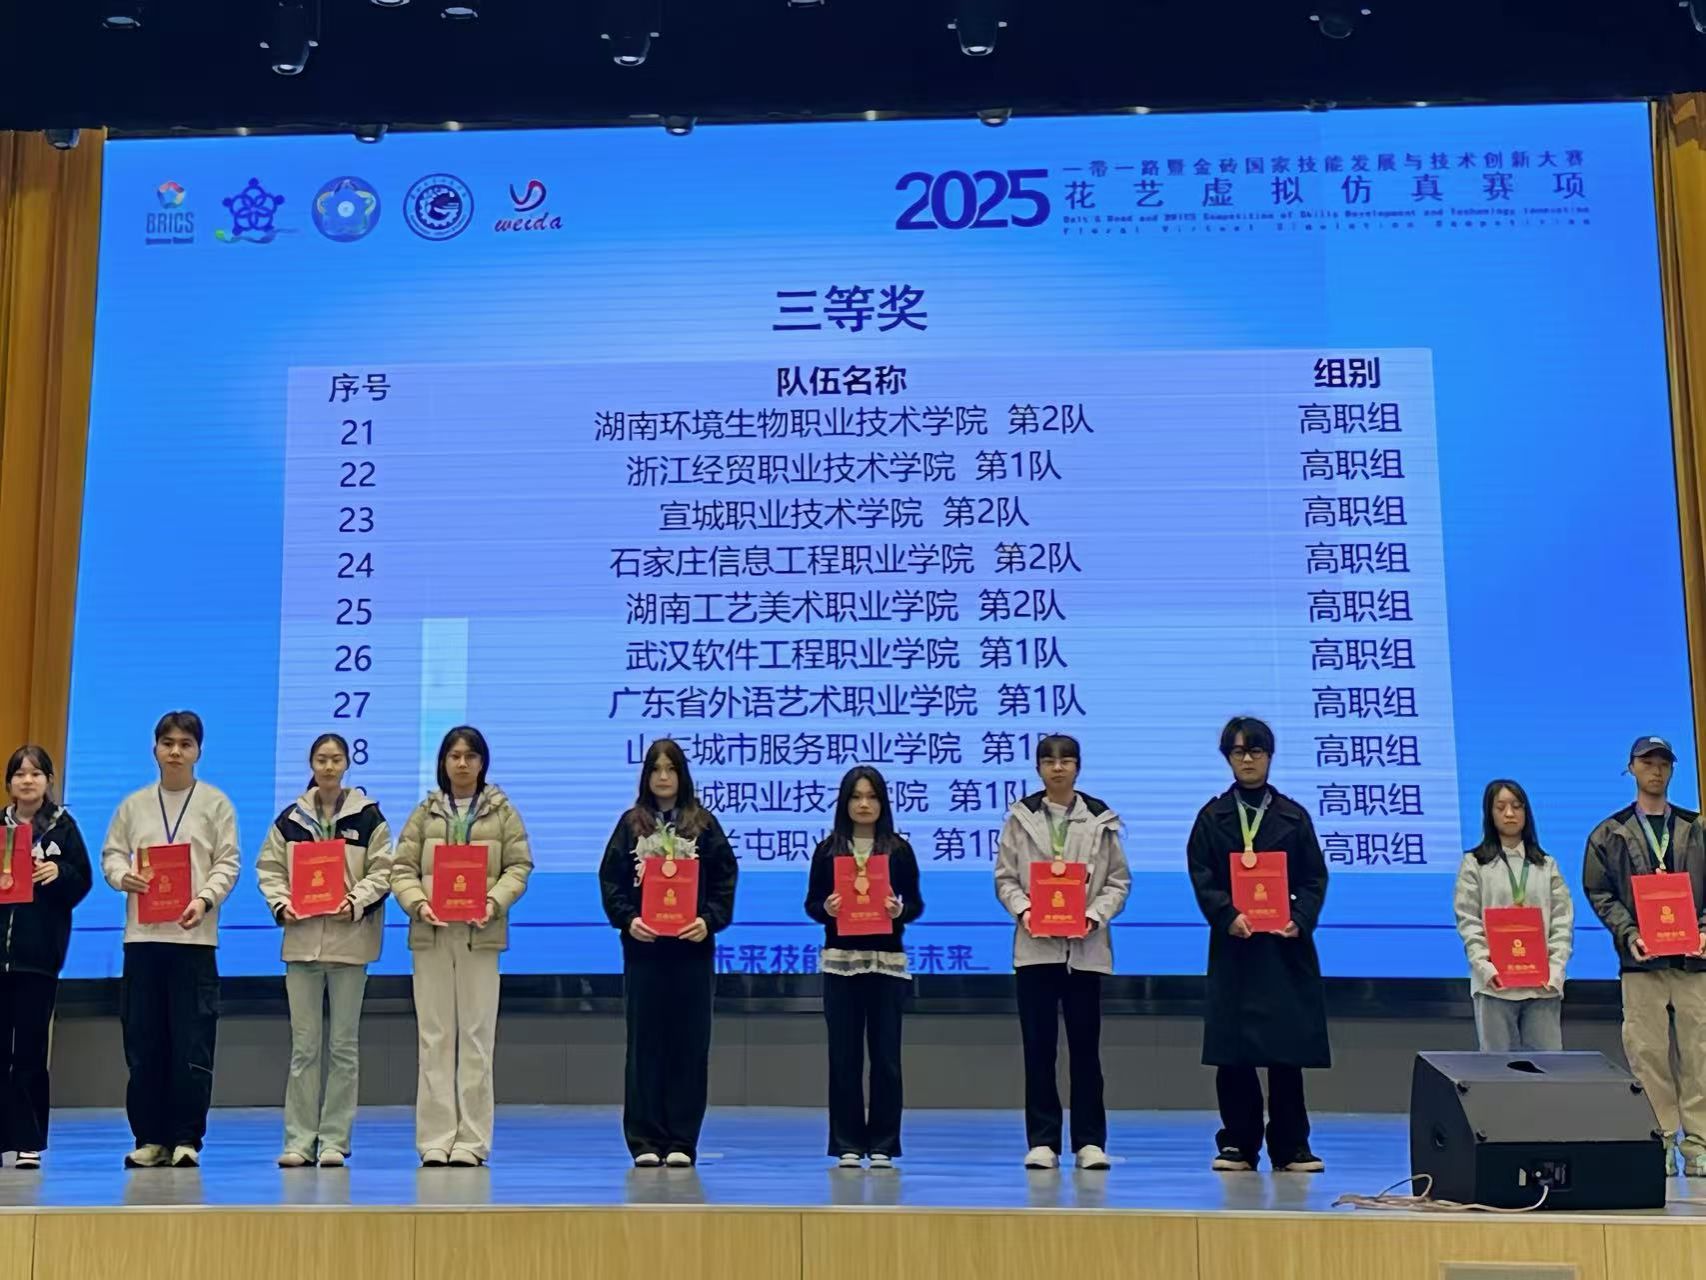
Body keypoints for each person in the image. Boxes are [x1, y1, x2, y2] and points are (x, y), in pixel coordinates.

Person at [1186, 716, 1330, 1175]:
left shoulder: (1293, 816)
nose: (1247, 759)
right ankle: (1238, 1143)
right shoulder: (1212, 817)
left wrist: (1299, 919)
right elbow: (1202, 875)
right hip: (1236, 947)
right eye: (1238, 751)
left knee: (1286, 1053)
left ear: (1269, 756)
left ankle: (1292, 1146)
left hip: (1283, 949)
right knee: (1235, 1053)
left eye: (1256, 751)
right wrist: (1227, 915)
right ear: (1227, 758)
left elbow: (1314, 877)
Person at [100, 710, 241, 1169]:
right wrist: (122, 877)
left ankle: (185, 1139)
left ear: (198, 751)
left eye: (185, 744)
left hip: (194, 939)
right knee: (144, 1043)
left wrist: (204, 899)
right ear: (155, 749)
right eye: (168, 743)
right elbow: (111, 854)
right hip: (142, 940)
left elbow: (228, 862)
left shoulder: (216, 804)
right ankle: (149, 1138)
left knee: (191, 1043)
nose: (176, 751)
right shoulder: (134, 805)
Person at [391, 726, 532, 1168]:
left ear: (482, 762)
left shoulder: (502, 811)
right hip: (431, 935)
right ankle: (435, 1139)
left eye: (471, 756)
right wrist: (418, 904)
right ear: (443, 762)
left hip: (480, 936)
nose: (462, 763)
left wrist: (492, 902)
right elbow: (401, 869)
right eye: (454, 755)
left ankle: (472, 1140)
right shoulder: (425, 812)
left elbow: (519, 866)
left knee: (476, 1038)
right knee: (434, 1038)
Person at [255, 733, 393, 1168]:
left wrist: (354, 902)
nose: (329, 766)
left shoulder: (369, 817)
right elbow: (269, 869)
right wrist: (282, 904)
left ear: (347, 764)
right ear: (311, 765)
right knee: (305, 1048)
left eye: (335, 759)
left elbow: (384, 871)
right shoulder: (290, 820)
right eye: (321, 759)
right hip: (302, 945)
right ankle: (298, 1140)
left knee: (343, 1048)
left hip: (351, 944)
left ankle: (334, 1140)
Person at [993, 734, 1130, 1171]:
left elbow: (1118, 882)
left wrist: (1092, 916)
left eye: (1066, 760)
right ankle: (1043, 1140)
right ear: (1038, 768)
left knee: (1086, 1051)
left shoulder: (1100, 819)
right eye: (1049, 761)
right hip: (1035, 950)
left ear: (1078, 767)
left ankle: (1089, 1141)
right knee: (1039, 1050)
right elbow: (1005, 879)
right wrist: (1026, 910)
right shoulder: (1020, 818)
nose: (1058, 768)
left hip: (1085, 951)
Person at [598, 738, 737, 1168]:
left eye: (671, 769)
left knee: (689, 1046)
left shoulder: (703, 824)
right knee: (645, 1046)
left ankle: (681, 1139)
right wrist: (628, 920)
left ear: (682, 775)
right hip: (645, 953)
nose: (663, 777)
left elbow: (725, 880)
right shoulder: (631, 824)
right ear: (646, 776)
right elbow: (611, 880)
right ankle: (644, 1139)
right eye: (656, 769)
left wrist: (709, 920)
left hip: (691, 953)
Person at [1583, 735, 1706, 1177]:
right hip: (1641, 962)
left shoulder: (1696, 827)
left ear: (1672, 770)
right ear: (1631, 768)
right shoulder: (1609, 832)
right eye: (1647, 762)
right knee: (1648, 1054)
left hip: (1694, 962)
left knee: (1700, 1054)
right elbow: (1599, 890)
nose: (1656, 769)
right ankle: (1660, 1139)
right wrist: (1628, 931)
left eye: (1664, 763)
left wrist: (1705, 928)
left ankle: (1699, 1144)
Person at [805, 766, 925, 1169]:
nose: (864, 804)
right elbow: (811, 903)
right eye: (856, 797)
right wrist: (826, 908)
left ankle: (884, 1144)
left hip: (886, 964)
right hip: (841, 963)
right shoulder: (828, 851)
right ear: (844, 802)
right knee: (844, 1057)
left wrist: (898, 910)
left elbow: (915, 903)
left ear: (882, 803)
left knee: (886, 1058)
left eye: (871, 797)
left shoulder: (898, 850)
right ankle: (847, 1143)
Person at [0, 746, 92, 1168]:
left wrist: (59, 873)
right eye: (19, 774)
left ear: (49, 781)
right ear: (9, 783)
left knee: (31, 1051)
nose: (27, 781)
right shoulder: (1, 827)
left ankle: (28, 1140)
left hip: (38, 959)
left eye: (36, 773)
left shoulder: (62, 828)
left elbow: (82, 880)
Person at [1453, 779, 1572, 1051]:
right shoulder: (1475, 864)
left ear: (1526, 813)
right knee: (1498, 1070)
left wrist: (1555, 971)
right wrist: (1486, 968)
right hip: (1494, 986)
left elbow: (1562, 921)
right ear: (1490, 813)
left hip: (1541, 987)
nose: (1509, 813)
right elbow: (1468, 921)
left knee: (1548, 1068)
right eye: (1501, 807)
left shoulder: (1546, 864)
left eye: (1517, 806)